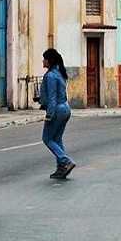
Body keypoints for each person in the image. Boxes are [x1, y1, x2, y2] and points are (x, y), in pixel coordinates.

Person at [40, 49, 75, 180]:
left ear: (49, 61)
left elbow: (53, 97)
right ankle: (61, 168)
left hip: (57, 110)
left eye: (44, 59)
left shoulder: (50, 76)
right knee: (57, 139)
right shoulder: (59, 73)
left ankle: (65, 161)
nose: (42, 61)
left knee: (47, 138)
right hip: (65, 108)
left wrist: (49, 115)